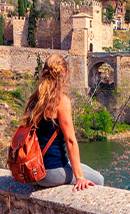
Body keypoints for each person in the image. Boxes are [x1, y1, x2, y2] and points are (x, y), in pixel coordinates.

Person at [21, 53, 104, 190]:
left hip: (32, 171)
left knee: (87, 170)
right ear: (66, 73)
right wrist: (80, 178)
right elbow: (70, 141)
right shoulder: (60, 101)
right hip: (51, 172)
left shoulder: (34, 99)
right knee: (98, 179)